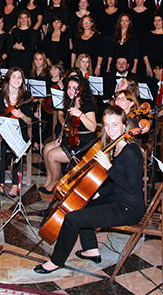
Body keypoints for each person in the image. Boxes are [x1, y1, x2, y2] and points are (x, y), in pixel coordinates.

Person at [35, 105, 145, 273]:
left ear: (124, 126)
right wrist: (99, 193)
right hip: (117, 199)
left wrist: (108, 167)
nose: (110, 129)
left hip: (129, 208)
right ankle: (91, 250)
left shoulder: (131, 152)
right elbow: (115, 184)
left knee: (73, 218)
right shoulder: (116, 146)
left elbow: (132, 187)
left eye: (115, 125)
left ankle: (56, 261)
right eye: (107, 125)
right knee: (82, 204)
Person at [40, 76, 98, 193]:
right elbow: (68, 125)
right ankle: (49, 179)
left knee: (52, 155)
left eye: (75, 88)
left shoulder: (87, 105)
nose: (71, 91)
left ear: (81, 90)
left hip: (83, 143)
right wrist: (61, 137)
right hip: (72, 138)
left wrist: (80, 115)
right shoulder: (70, 102)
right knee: (46, 148)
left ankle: (56, 184)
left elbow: (93, 128)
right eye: (69, 88)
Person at [0, 67, 33, 197]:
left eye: (19, 77)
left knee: (18, 147)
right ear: (8, 79)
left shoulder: (26, 96)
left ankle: (15, 185)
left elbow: (30, 121)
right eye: (14, 76)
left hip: (20, 131)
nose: (17, 80)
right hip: (3, 132)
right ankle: (0, 183)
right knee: (0, 147)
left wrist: (21, 115)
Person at [142, 13, 163, 78]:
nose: (157, 23)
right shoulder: (148, 34)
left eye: (159, 20)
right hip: (149, 66)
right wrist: (148, 66)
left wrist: (161, 69)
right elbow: (144, 51)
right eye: (155, 20)